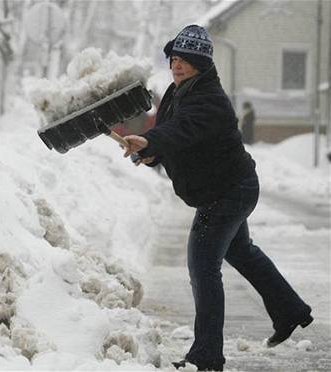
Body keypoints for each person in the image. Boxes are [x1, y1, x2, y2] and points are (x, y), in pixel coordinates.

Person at [122, 25, 312, 371]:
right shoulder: (177, 91)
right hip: (226, 188)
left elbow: (184, 128)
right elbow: (175, 138)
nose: (177, 66)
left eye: (186, 61)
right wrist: (152, 152)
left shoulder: (209, 99)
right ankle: (290, 310)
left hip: (228, 192)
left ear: (202, 64)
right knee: (242, 252)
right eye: (174, 58)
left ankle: (206, 356)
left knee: (203, 266)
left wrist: (153, 142)